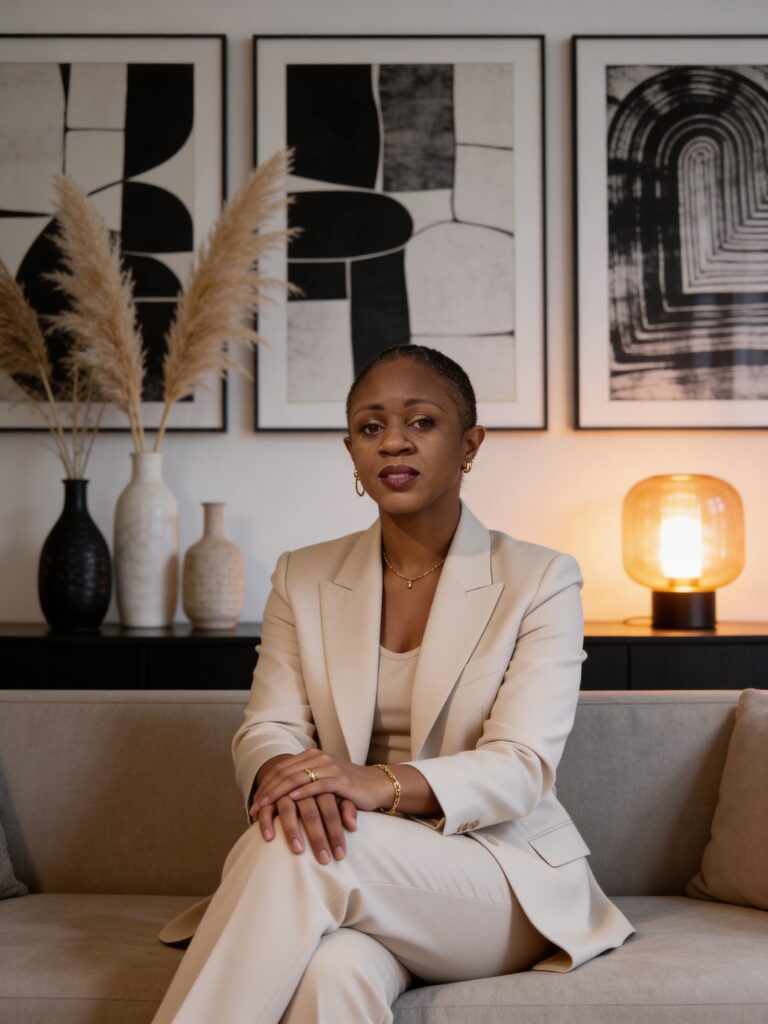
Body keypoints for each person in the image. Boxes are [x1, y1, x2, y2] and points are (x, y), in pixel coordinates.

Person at [152, 345, 634, 1024]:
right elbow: (268, 728)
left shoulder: (540, 578)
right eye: (371, 427)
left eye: (422, 422)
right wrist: (290, 777)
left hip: (497, 875)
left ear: (470, 445)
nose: (393, 442)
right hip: (352, 864)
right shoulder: (302, 576)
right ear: (350, 450)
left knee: (299, 850)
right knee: (333, 974)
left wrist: (374, 783)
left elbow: (522, 766)